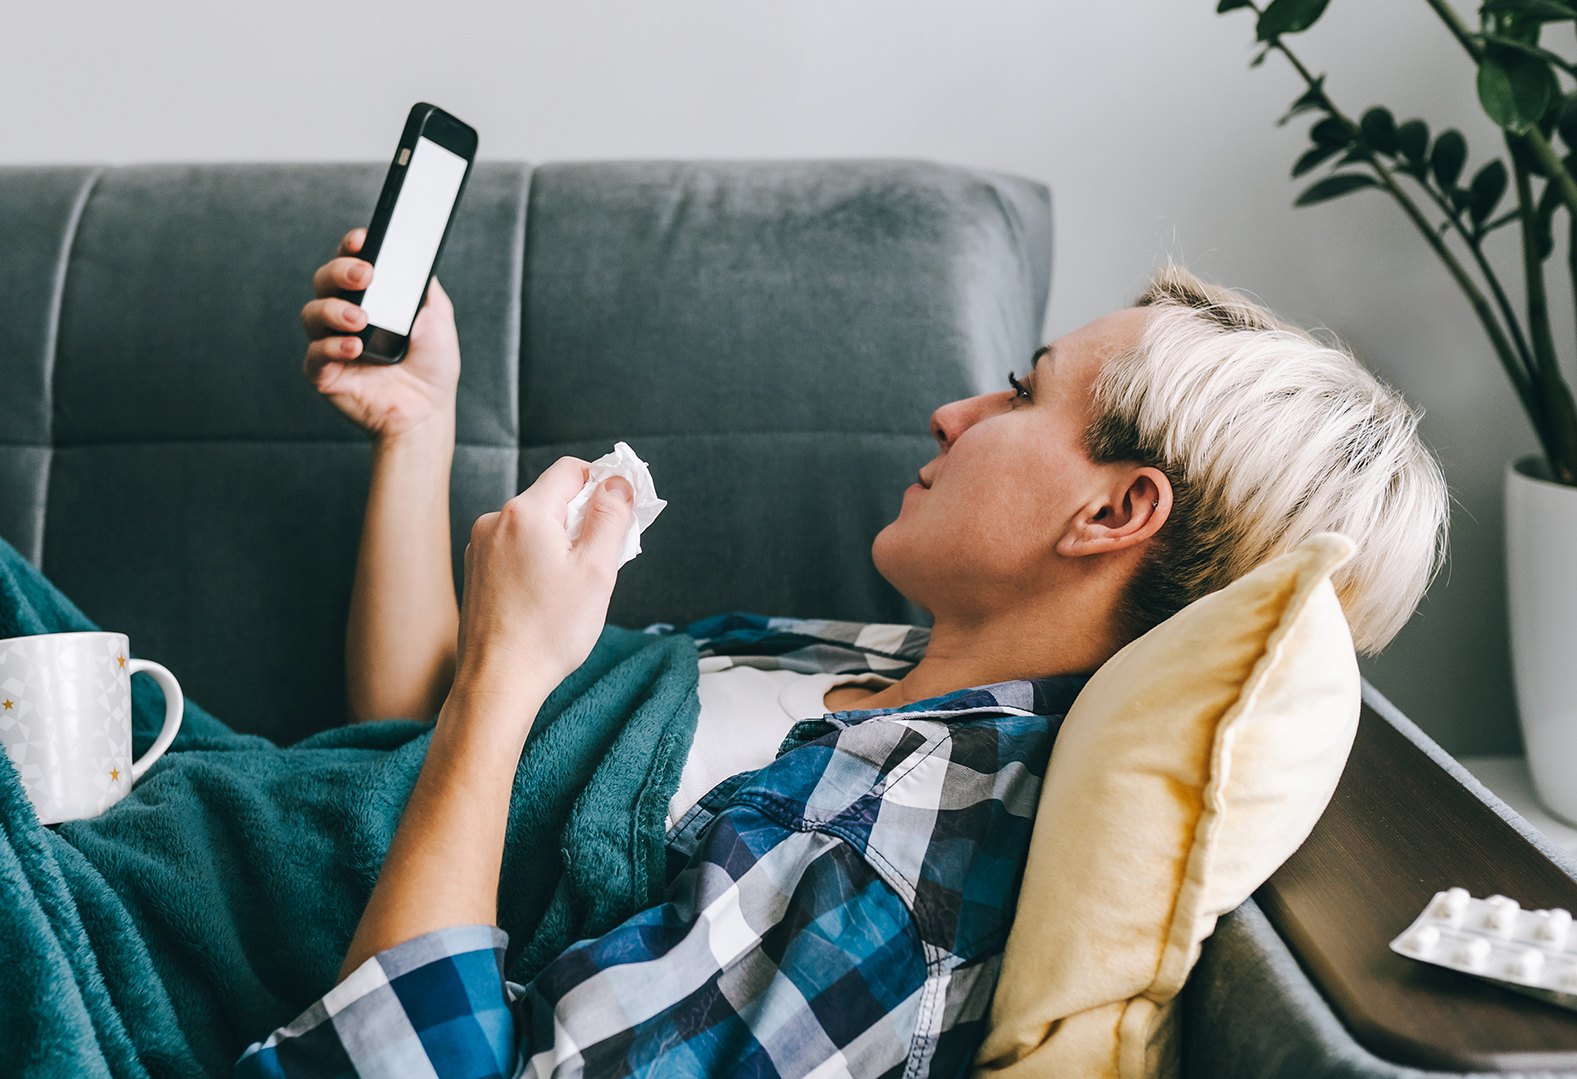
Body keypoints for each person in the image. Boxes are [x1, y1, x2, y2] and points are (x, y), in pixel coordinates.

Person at [231, 231, 1449, 1078]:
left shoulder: (888, 861)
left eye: (1021, 396)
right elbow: (412, 754)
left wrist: (509, 674)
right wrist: (422, 427)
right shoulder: (864, 657)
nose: (954, 415)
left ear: (1115, 514)